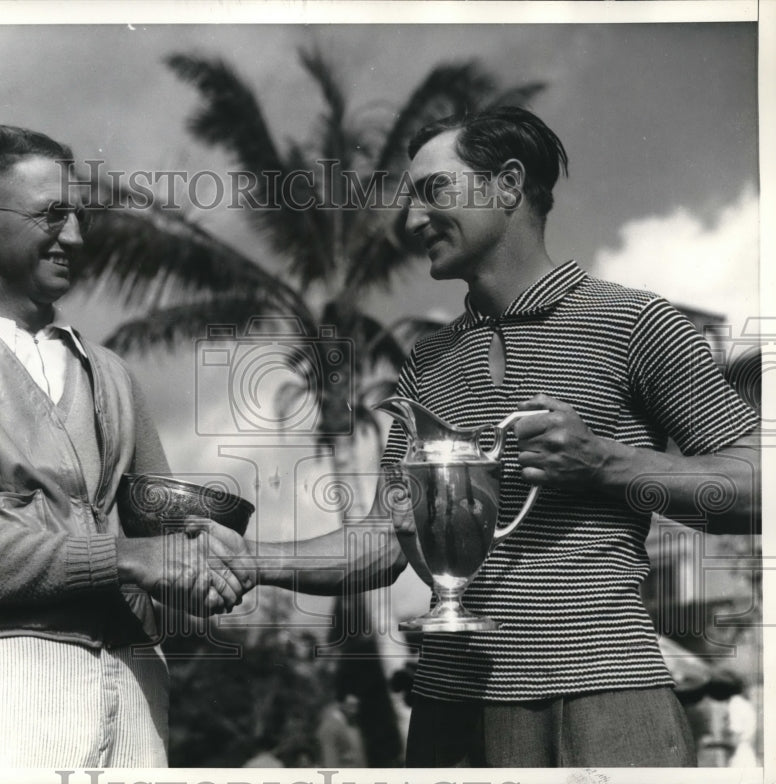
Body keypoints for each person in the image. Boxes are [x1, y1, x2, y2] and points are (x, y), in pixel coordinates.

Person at [249, 106, 760, 767]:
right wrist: (248, 559)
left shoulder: (635, 322)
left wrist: (610, 465)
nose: (409, 222)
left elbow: (758, 486)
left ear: (508, 185)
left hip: (607, 695)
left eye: (433, 190)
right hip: (447, 710)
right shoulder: (425, 362)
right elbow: (383, 541)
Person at [0, 124, 253, 767]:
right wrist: (126, 558)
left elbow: (155, 537)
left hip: (135, 685)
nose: (76, 236)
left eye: (78, 215)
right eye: (53, 215)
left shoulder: (113, 374)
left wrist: (207, 566)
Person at [316, 694, 367, 768]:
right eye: (351, 706)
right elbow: (330, 759)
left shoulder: (350, 725)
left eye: (355, 706)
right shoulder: (330, 726)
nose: (355, 711)